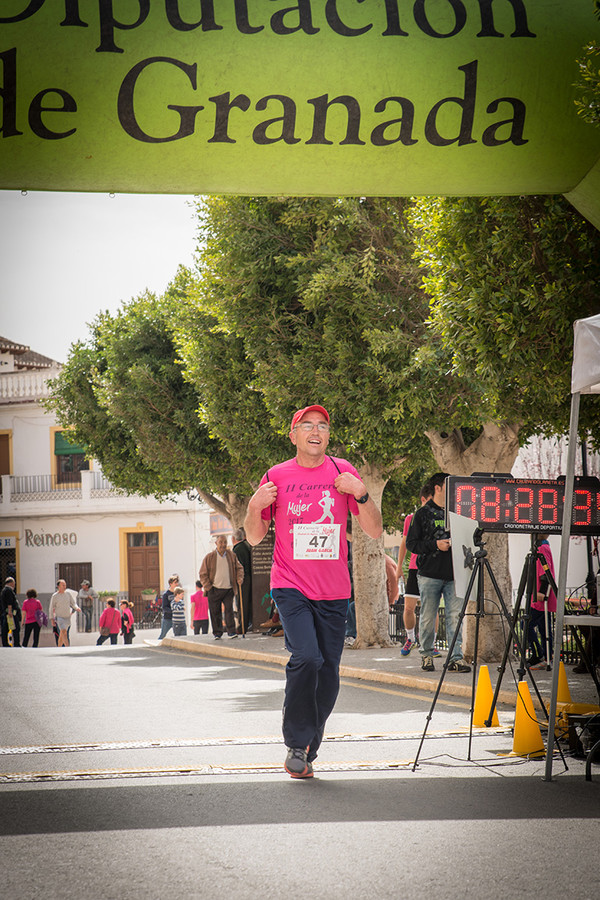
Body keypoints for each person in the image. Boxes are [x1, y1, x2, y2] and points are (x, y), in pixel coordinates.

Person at [244, 404, 382, 778]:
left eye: (322, 425)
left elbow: (373, 530)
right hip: (290, 585)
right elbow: (253, 537)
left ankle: (307, 748)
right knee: (306, 657)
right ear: (294, 436)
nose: (316, 431)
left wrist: (362, 493)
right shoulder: (276, 476)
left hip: (334, 591)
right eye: (307, 426)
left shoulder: (343, 471)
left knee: (329, 671)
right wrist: (254, 506)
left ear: (328, 435)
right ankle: (295, 742)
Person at [406, 472, 471, 674]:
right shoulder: (422, 514)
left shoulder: (458, 512)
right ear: (438, 488)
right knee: (427, 616)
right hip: (429, 574)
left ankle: (455, 658)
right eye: (448, 485)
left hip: (455, 574)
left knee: (454, 617)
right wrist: (436, 544)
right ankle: (426, 655)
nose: (453, 489)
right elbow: (411, 544)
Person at [395, 484, 439, 657]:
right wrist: (399, 566)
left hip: (434, 567)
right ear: (424, 499)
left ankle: (432, 644)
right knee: (408, 608)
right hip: (415, 568)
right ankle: (411, 639)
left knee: (433, 609)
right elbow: (404, 543)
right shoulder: (411, 519)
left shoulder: (440, 517)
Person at [199, 536, 244, 640]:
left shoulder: (231, 555)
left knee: (229, 611)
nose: (223, 544)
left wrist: (239, 578)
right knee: (215, 612)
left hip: (228, 589)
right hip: (214, 589)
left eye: (225, 542)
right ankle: (217, 633)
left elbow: (239, 568)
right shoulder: (209, 557)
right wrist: (208, 587)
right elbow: (202, 574)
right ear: (216, 543)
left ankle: (231, 632)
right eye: (220, 542)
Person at [527, 534, 556, 669]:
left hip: (540, 597)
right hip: (541, 595)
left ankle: (538, 654)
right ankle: (547, 657)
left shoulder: (542, 548)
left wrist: (542, 592)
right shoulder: (542, 547)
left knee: (526, 625)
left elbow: (546, 571)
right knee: (544, 628)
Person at [49, 580, 81, 647]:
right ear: (58, 586)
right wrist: (52, 619)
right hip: (59, 618)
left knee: (62, 634)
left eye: (65, 585)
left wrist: (77, 608)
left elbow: (73, 603)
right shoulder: (55, 596)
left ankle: (59, 647)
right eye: (63, 585)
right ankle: (67, 647)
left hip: (67, 618)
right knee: (64, 632)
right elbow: (51, 608)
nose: (64, 587)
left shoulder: (68, 594)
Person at [232, 527, 253, 633]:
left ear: (233, 538)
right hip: (248, 577)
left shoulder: (237, 549)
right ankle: (246, 624)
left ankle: (242, 626)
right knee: (246, 602)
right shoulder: (246, 546)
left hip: (242, 579)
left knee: (242, 603)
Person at [1, 576, 21, 647]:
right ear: (11, 583)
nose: (14, 585)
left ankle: (5, 643)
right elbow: (9, 601)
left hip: (6, 613)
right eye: (14, 583)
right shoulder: (8, 590)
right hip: (11, 613)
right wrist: (10, 611)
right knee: (15, 628)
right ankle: (16, 643)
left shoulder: (4, 590)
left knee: (5, 628)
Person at [158, 575, 179, 640]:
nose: (177, 584)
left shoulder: (178, 594)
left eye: (177, 582)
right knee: (163, 635)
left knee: (178, 635)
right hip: (167, 619)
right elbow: (164, 607)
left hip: (176, 618)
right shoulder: (166, 594)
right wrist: (172, 611)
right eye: (175, 583)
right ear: (170, 583)